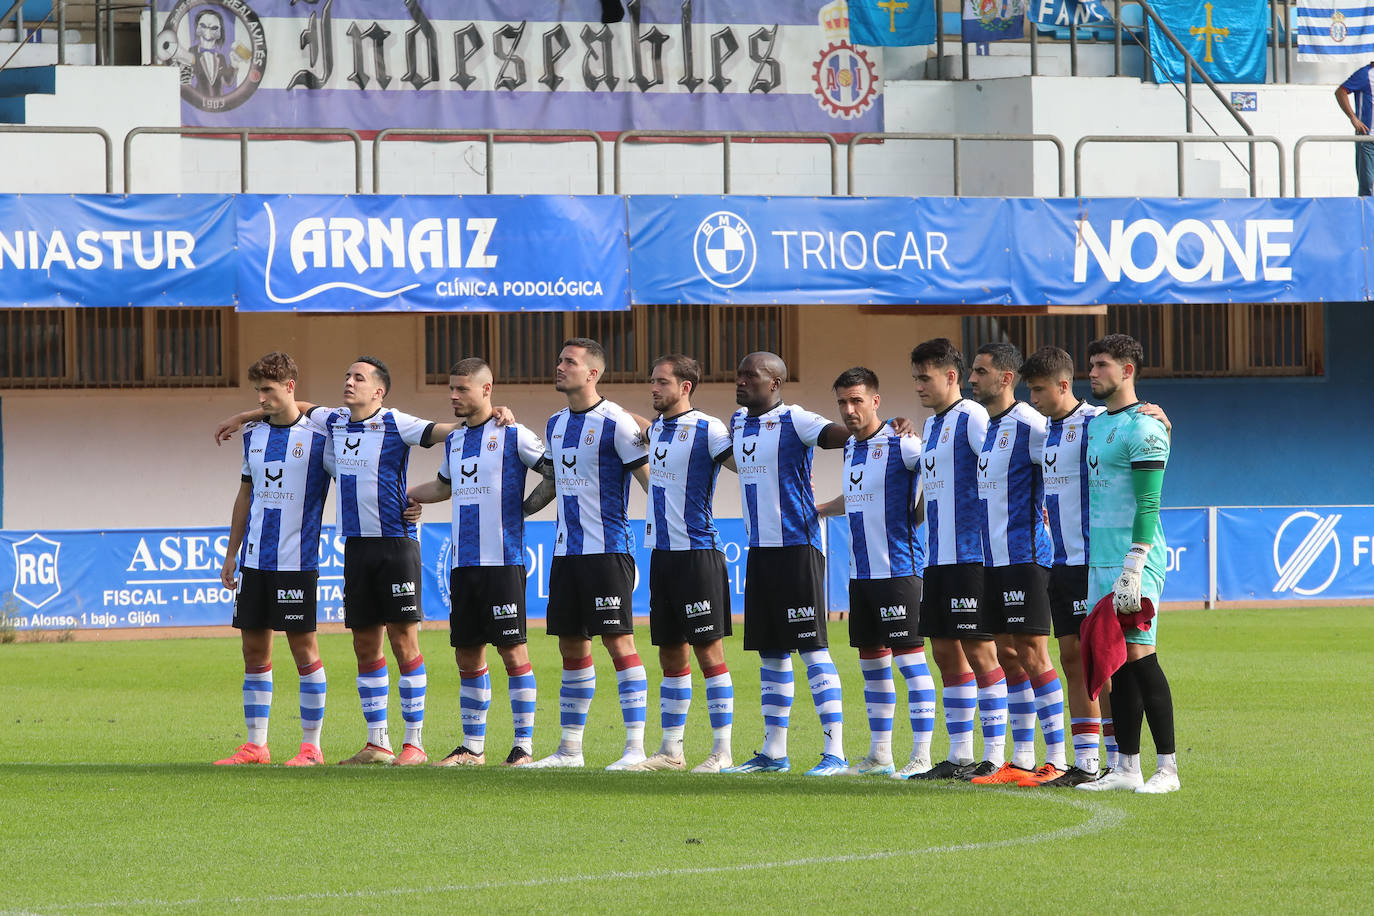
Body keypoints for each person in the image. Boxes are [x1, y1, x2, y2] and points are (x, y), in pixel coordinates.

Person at [217, 357, 462, 766]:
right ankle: (376, 742)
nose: (348, 382)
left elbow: (446, 431)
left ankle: (413, 743)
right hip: (353, 548)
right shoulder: (332, 423)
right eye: (346, 375)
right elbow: (292, 405)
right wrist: (244, 414)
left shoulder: (394, 423)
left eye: (358, 377)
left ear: (378, 390)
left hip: (394, 544)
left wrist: (491, 417)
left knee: (403, 641)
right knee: (364, 644)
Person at [406, 359, 548, 768]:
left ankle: (523, 746)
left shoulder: (514, 433)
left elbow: (554, 473)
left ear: (487, 390)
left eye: (462, 389)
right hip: (463, 564)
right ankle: (472, 747)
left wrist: (525, 508)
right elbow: (443, 486)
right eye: (451, 388)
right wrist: (408, 495)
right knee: (467, 654)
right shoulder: (453, 441)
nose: (453, 395)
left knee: (513, 651)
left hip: (503, 562)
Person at [522, 338, 653, 771]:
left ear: (592, 373)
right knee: (571, 647)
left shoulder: (617, 421)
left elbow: (649, 481)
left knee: (620, 643)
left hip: (609, 552)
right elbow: (554, 483)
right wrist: (519, 511)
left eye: (569, 362)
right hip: (566, 554)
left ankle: (634, 749)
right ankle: (569, 751)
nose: (559, 366)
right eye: (559, 359)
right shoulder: (556, 423)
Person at [721, 351, 851, 776]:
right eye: (739, 374)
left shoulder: (798, 420)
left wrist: (883, 429)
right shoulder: (737, 423)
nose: (740, 381)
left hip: (798, 547)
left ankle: (836, 752)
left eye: (750, 375)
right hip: (761, 550)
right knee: (771, 653)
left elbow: (846, 434)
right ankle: (774, 752)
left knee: (813, 650)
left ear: (774, 383)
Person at [817, 368, 937, 779]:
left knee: (911, 662)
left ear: (875, 401)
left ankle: (921, 755)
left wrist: (918, 515)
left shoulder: (902, 443)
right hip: (861, 576)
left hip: (899, 572)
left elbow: (937, 474)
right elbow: (854, 498)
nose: (849, 410)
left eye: (856, 400)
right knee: (871, 663)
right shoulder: (851, 447)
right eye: (842, 403)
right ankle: (880, 754)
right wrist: (818, 509)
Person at [214, 352, 332, 767]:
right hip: (254, 562)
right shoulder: (254, 437)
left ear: (290, 388)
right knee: (253, 650)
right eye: (257, 391)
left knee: (304, 650)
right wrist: (232, 553)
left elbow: (356, 474)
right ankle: (256, 746)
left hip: (296, 563)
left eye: (268, 389)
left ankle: (310, 746)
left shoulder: (322, 439)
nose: (262, 398)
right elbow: (245, 496)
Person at [960, 343, 1067, 788]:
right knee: (1008, 654)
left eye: (980, 372)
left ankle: (1059, 759)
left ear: (1005, 378)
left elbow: (1074, 439)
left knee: (1033, 653)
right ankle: (1021, 760)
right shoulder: (988, 428)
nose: (971, 379)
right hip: (993, 559)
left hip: (1026, 557)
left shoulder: (1032, 424)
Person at [1077, 334, 1180, 794]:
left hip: (1135, 559)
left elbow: (1149, 504)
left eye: (1101, 365)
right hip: (1100, 561)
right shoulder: (1097, 425)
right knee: (1115, 663)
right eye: (1091, 365)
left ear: (1128, 370)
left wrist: (1135, 562)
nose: (1092, 372)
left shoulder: (1146, 427)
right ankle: (1126, 767)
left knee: (1140, 655)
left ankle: (1169, 770)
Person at [625, 354, 737, 774]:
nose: (653, 388)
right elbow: (630, 420)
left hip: (698, 555)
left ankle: (721, 752)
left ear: (685, 387)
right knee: (671, 654)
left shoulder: (709, 429)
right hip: (662, 556)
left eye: (661, 382)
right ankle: (672, 751)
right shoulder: (656, 430)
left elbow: (745, 465)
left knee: (709, 653)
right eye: (652, 381)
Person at [906, 338, 1001, 781]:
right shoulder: (930, 426)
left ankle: (996, 755)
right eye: (916, 378)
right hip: (937, 557)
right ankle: (960, 755)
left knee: (981, 650)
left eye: (925, 377)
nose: (919, 386)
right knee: (945, 651)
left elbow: (1000, 467)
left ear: (950, 376)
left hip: (971, 555)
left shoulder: (974, 416)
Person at [1020, 346, 1107, 787]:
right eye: (1029, 390)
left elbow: (1138, 432)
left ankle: (1117, 757)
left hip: (1095, 562)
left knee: (1102, 661)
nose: (1033, 399)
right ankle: (1087, 761)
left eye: (1039, 390)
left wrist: (1157, 415)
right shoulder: (1041, 433)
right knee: (1072, 658)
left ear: (1064, 385)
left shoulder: (1096, 423)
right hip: (1060, 564)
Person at [1335, 62, 1374, 196]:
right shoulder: (1365, 74)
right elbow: (1341, 92)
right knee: (1368, 184)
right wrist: (1353, 117)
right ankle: (1367, 215)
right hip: (1368, 138)